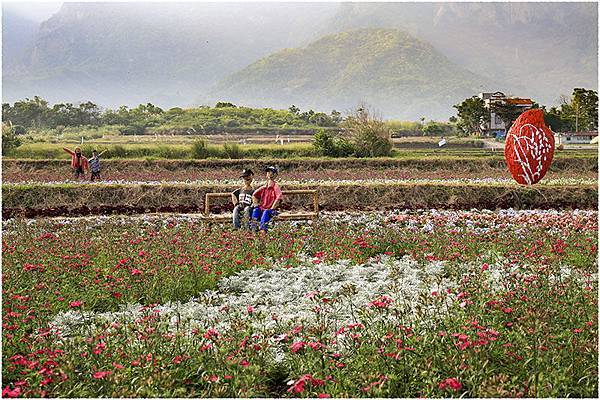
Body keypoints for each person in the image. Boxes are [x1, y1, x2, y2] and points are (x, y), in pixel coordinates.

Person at [250, 166, 283, 232]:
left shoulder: (275, 187)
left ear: (275, 175)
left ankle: (263, 230)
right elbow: (254, 195)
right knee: (255, 210)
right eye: (268, 172)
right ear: (266, 175)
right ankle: (253, 228)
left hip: (272, 210)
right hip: (263, 208)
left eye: (272, 172)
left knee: (266, 212)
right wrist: (255, 204)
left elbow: (278, 198)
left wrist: (272, 208)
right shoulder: (264, 187)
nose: (270, 174)